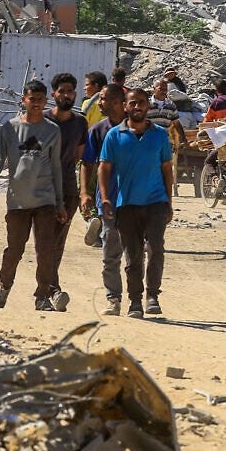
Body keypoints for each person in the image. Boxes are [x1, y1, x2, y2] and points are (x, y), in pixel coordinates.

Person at [0, 80, 68, 313]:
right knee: (14, 249)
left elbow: (56, 169)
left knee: (46, 249)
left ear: (45, 101)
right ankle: (4, 286)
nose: (37, 103)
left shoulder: (52, 131)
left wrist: (60, 203)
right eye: (32, 99)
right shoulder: (10, 128)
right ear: (24, 100)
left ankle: (42, 296)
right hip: (17, 200)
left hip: (45, 200)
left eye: (41, 99)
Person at [98, 88, 175, 319]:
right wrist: (105, 197)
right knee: (133, 256)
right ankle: (134, 301)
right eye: (133, 103)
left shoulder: (160, 135)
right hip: (127, 204)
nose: (137, 107)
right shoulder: (114, 135)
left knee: (156, 249)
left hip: (156, 202)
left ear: (148, 106)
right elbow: (104, 167)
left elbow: (167, 169)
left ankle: (152, 295)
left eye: (142, 103)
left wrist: (169, 201)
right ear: (125, 107)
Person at [80, 83, 127, 316]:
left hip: (136, 200)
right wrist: (84, 193)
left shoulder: (138, 128)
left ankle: (139, 299)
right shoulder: (98, 130)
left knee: (136, 253)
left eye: (103, 99)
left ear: (117, 102)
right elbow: (87, 164)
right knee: (110, 252)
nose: (99, 103)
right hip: (108, 199)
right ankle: (113, 298)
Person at [45, 73, 87, 299]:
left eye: (70, 91)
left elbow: (79, 156)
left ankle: (51, 286)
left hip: (68, 189)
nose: (66, 95)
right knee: (46, 238)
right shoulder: (42, 120)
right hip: (42, 189)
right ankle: (50, 286)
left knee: (58, 238)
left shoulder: (80, 122)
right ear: (54, 94)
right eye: (62, 91)